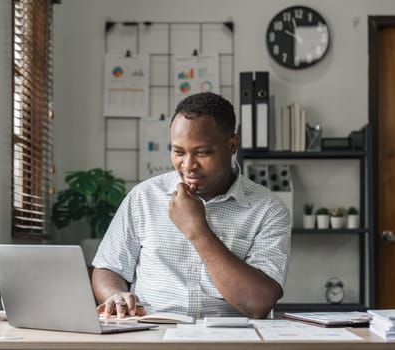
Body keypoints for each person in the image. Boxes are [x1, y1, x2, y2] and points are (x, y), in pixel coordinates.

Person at [92, 92, 291, 320]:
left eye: (203, 152)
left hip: (229, 340)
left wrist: (197, 230)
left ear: (232, 145)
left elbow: (258, 303)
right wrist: (115, 294)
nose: (188, 165)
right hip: (151, 334)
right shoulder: (144, 197)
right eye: (178, 152)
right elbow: (108, 268)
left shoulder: (268, 209)